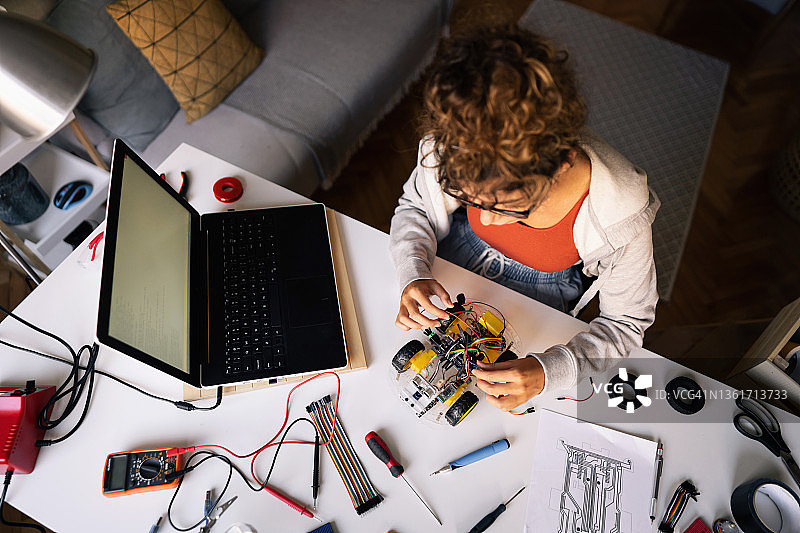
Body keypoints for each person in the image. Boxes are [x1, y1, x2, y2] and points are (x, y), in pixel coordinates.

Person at [388, 24, 660, 412]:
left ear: (562, 163)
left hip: (542, 309)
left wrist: (551, 371)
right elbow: (415, 208)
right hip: (447, 267)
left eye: (511, 208)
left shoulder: (621, 214)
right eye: (470, 200)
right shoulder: (456, 146)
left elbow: (626, 324)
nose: (489, 221)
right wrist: (413, 270)